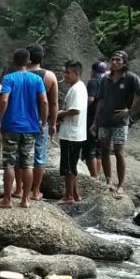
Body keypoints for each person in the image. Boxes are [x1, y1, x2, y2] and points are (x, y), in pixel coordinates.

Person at [91, 51, 140, 196]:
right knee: (104, 149)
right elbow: (101, 100)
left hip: (120, 122)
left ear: (124, 63)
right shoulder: (105, 79)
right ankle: (108, 181)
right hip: (105, 120)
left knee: (118, 152)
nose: (114, 62)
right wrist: (95, 121)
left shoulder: (131, 78)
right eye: (112, 59)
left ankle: (121, 184)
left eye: (118, 60)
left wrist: (130, 111)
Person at [0, 49, 47, 209]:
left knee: (9, 164)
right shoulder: (36, 79)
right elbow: (44, 102)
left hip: (11, 126)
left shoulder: (9, 78)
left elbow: (4, 100)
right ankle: (26, 200)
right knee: (28, 164)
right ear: (29, 61)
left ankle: (8, 200)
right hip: (30, 127)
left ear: (13, 61)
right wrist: (43, 123)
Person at [25, 45, 58, 202]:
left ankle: (20, 189)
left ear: (27, 58)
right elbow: (53, 103)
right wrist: (52, 123)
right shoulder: (49, 76)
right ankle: (36, 191)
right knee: (39, 156)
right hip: (40, 121)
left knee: (22, 155)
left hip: (22, 121)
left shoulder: (19, 75)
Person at [56, 61, 87, 205]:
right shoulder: (78, 88)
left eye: (68, 72)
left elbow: (75, 110)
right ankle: (75, 194)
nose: (65, 75)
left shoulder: (77, 89)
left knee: (68, 166)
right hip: (75, 133)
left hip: (71, 134)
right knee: (72, 165)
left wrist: (59, 114)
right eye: (65, 72)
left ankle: (68, 196)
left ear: (77, 73)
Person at [84, 60, 107, 178]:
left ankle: (94, 178)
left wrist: (81, 109)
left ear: (92, 71)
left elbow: (90, 99)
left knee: (90, 150)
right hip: (104, 120)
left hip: (92, 119)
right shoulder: (107, 81)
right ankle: (97, 176)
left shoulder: (93, 82)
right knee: (98, 151)